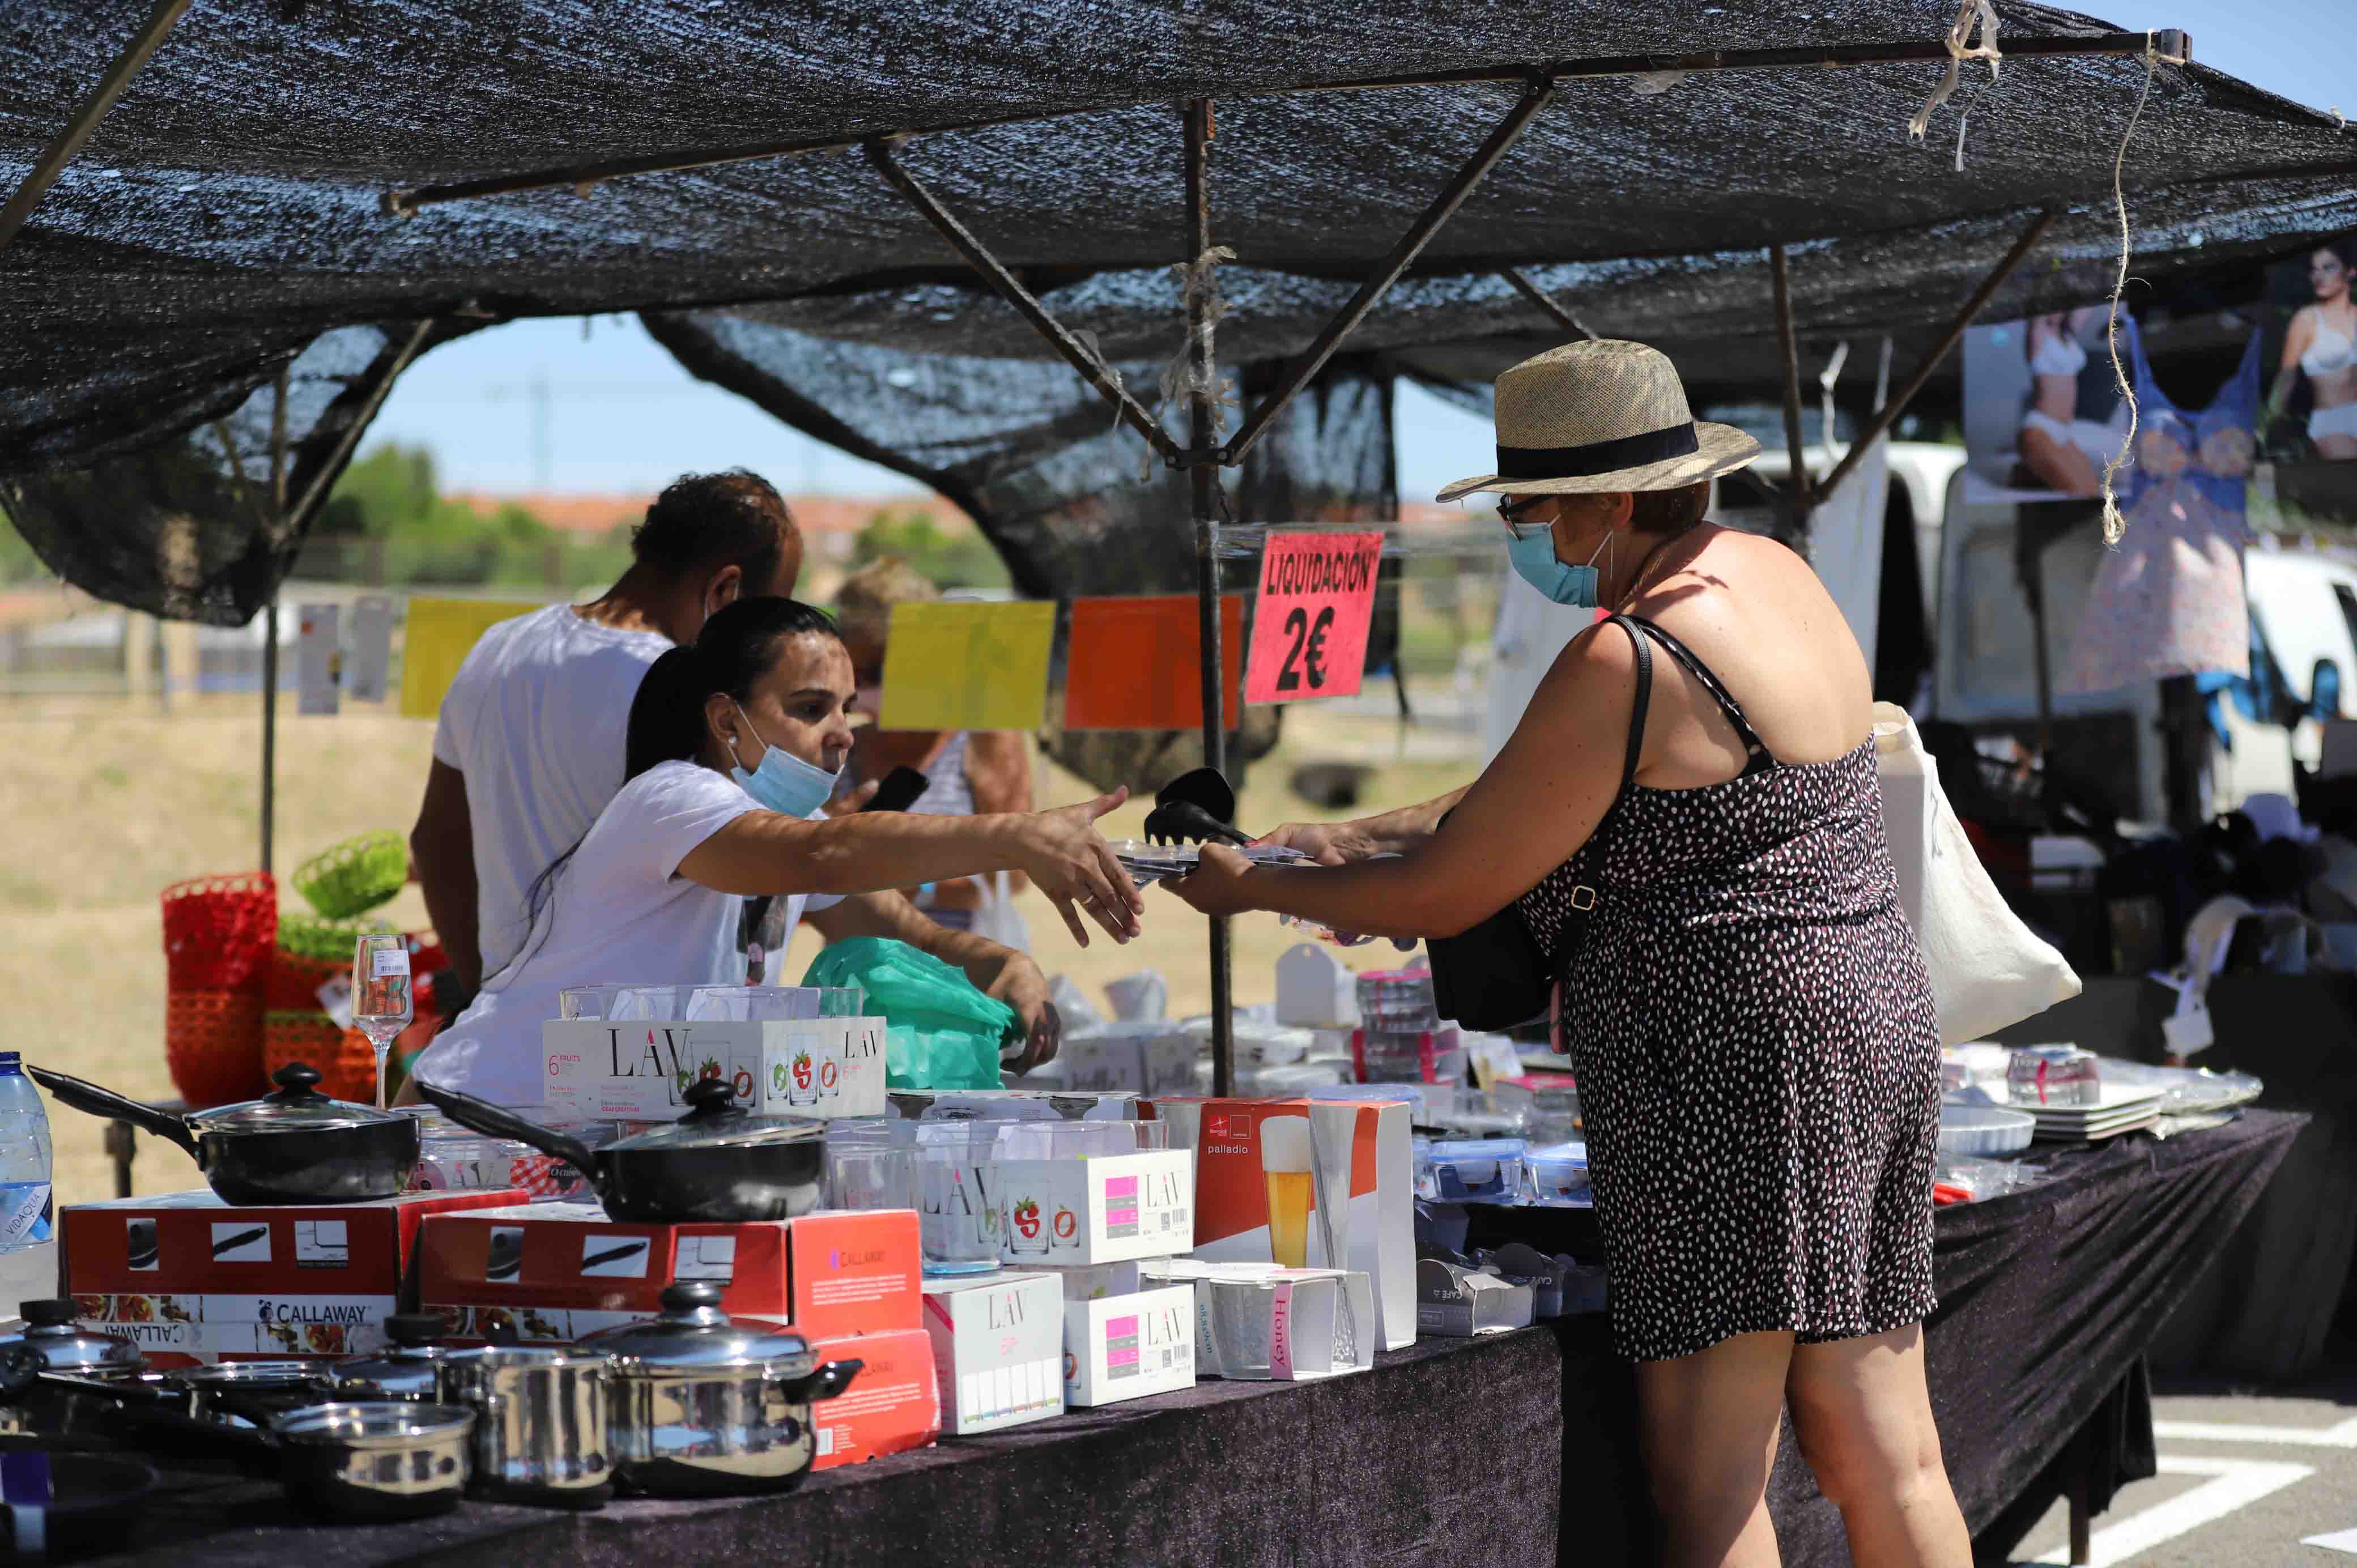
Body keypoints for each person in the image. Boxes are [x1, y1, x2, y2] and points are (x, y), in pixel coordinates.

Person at [1164, 340, 1967, 1568]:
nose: (1524, 535)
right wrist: (1339, 836)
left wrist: (1247, 884)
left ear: (1604, 503)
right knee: (1884, 1443)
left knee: (1710, 1477)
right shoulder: (1776, 578)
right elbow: (1530, 801)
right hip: (1870, 1020)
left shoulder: (1626, 659)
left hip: (1732, 1064)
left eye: (1531, 509)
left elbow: (1450, 885)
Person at [410, 597, 1142, 1105]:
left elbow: (904, 932)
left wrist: (1006, 964)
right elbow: (825, 856)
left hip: (590, 1135)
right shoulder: (672, 800)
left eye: (846, 711)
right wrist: (1020, 835)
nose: (843, 734)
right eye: (810, 709)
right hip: (487, 1121)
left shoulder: (789, 829)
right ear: (726, 719)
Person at [410, 471, 802, 1004]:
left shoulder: (497, 648)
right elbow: (746, 861)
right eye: (770, 618)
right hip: (644, 1060)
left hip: (509, 1047)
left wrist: (491, 996)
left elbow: (436, 844)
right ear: (725, 591)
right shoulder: (686, 694)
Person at [830, 557, 1037, 932]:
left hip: (962, 977)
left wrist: (915, 884)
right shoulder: (843, 746)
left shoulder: (986, 740)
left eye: (876, 671)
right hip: (855, 977)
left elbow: (1015, 875)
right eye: (850, 670)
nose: (862, 688)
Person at [2016, 307, 2121, 496]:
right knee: (2083, 491)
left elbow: (2086, 307)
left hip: (2064, 431)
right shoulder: (2038, 335)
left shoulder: (2067, 336)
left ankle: (2023, 473)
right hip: (2041, 428)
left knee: (2096, 490)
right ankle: (2026, 468)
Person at [2267, 244, 2357, 460]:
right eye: (2315, 269)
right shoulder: (2306, 321)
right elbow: (2287, 374)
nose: (2319, 276)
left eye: (2328, 267)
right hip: (2333, 423)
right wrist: (2275, 418)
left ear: (2351, 272)